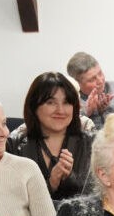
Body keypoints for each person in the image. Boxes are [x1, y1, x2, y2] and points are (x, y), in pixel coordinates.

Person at [7, 72, 95, 201]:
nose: (60, 110)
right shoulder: (14, 145)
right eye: (50, 102)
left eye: (66, 102)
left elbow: (96, 198)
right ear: (34, 106)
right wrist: (51, 183)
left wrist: (69, 178)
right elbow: (12, 199)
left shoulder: (92, 144)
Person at [66, 51, 114, 127]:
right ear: (77, 83)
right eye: (92, 79)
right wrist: (86, 113)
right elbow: (71, 133)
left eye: (100, 73)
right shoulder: (71, 101)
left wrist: (106, 112)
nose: (100, 80)